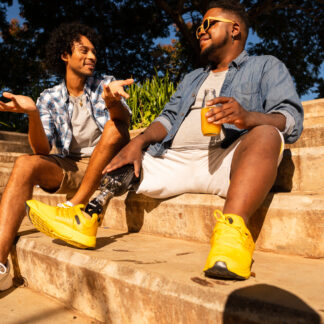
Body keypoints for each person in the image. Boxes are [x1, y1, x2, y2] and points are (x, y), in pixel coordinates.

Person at [26, 1, 304, 281]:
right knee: (126, 152)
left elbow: (290, 118)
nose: (200, 31)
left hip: (227, 160)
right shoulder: (193, 77)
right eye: (199, 28)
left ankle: (231, 238)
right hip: (173, 160)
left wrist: (249, 117)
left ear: (234, 29)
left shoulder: (266, 66)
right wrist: (138, 142)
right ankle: (87, 218)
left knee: (268, 134)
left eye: (208, 24)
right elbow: (167, 119)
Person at [0, 22, 133, 290]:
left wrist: (113, 103)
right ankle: (0, 262)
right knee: (25, 163)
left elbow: (123, 125)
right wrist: (33, 114)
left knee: (113, 126)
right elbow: (41, 151)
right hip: (72, 166)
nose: (92, 56)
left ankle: (73, 208)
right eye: (84, 50)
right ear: (65, 55)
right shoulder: (49, 97)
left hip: (107, 164)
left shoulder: (107, 84)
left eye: (94, 51)